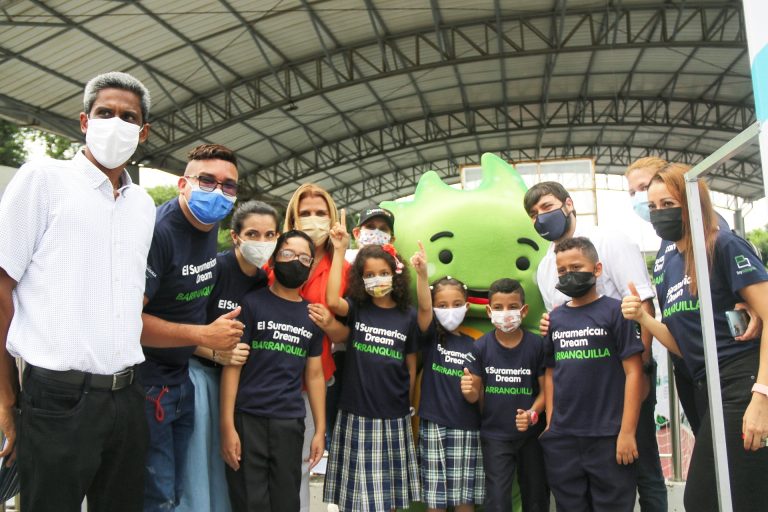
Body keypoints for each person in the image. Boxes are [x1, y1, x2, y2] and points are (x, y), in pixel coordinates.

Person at [0, 71, 154, 511]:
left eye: (129, 117)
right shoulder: (43, 180)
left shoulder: (141, 205)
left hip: (127, 396)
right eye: (106, 112)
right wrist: (7, 396)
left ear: (142, 133)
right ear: (84, 121)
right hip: (57, 399)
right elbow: (1, 290)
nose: (116, 123)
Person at [621, 164, 768, 511]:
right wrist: (643, 317)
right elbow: (681, 344)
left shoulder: (723, 244)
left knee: (705, 499)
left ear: (691, 203)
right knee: (735, 496)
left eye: (668, 204)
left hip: (741, 383)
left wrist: (761, 397)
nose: (658, 214)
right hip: (706, 386)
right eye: (653, 207)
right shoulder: (668, 262)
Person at [524, 181, 667, 511]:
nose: (541, 217)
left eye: (546, 207)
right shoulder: (546, 267)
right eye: (533, 214)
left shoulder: (609, 241)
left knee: (640, 466)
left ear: (568, 204)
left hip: (625, 375)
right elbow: (558, 319)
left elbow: (641, 302)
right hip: (580, 401)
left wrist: (642, 370)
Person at [140, 144, 244, 511]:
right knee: (157, 496)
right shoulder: (159, 232)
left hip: (179, 377)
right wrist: (203, 336)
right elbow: (126, 323)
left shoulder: (208, 225)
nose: (217, 191)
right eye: (207, 180)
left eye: (228, 185)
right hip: (148, 384)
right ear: (183, 183)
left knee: (178, 491)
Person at [220, 230, 347, 512]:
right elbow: (233, 365)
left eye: (304, 258)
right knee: (249, 500)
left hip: (289, 422)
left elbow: (314, 375)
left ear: (311, 266)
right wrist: (227, 425)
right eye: (288, 254)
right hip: (248, 418)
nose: (296, 262)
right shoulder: (252, 303)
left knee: (286, 499)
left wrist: (320, 428)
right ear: (274, 259)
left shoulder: (311, 315)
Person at [178, 200, 280, 512]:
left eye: (269, 234)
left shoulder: (264, 281)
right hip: (197, 376)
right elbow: (179, 327)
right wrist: (213, 352)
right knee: (197, 466)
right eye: (253, 233)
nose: (261, 242)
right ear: (235, 236)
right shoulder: (216, 270)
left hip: (237, 386)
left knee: (227, 467)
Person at [323, 218, 421, 511]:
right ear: (361, 279)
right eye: (369, 274)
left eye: (383, 273)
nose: (377, 278)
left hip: (393, 413)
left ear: (396, 275)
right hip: (356, 410)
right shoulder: (357, 309)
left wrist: (408, 402)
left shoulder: (409, 316)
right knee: (354, 497)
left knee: (389, 495)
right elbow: (331, 300)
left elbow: (412, 366)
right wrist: (340, 251)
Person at [542, 237, 644, 512]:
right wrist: (552, 422)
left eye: (576, 266)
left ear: (597, 269)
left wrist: (627, 432)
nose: (568, 274)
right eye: (562, 270)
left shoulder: (616, 312)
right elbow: (550, 372)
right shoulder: (555, 319)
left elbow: (634, 373)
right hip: (564, 439)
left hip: (608, 438)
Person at [279, 183, 351, 509]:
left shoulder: (344, 268)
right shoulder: (273, 263)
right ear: (292, 220)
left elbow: (348, 335)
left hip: (316, 382)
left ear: (332, 216)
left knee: (303, 467)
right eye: (304, 213)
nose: (313, 220)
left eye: (320, 213)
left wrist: (329, 324)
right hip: (274, 379)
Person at [461, 278, 547, 512]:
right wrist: (469, 390)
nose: (505, 313)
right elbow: (473, 395)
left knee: (536, 496)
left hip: (532, 436)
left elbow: (547, 391)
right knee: (497, 500)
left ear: (524, 310)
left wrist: (532, 413)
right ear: (489, 311)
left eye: (512, 307)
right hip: (495, 436)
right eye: (498, 308)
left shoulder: (536, 345)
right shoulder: (481, 347)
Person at [411, 243, 484, 512]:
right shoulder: (431, 338)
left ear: (467, 306)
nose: (449, 309)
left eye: (456, 304)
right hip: (433, 427)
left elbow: (480, 393)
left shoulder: (477, 344)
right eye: (442, 304)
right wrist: (421, 276)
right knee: (435, 503)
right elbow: (423, 311)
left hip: (468, 428)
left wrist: (474, 391)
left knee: (465, 502)